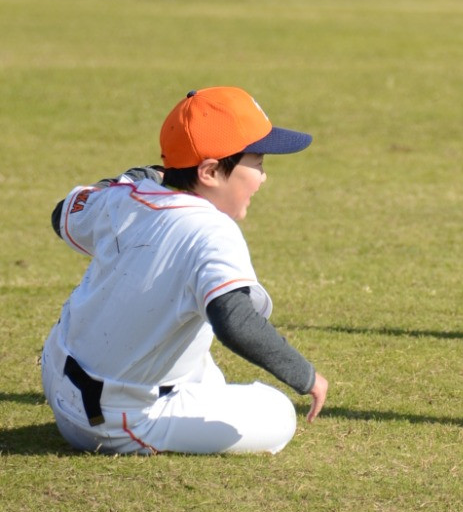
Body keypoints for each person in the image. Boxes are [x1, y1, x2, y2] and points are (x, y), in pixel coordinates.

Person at [42, 86, 328, 455]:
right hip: (117, 420)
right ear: (210, 171)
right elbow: (235, 320)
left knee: (190, 330)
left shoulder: (126, 196)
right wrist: (306, 376)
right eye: (257, 163)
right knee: (278, 415)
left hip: (59, 379)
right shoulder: (211, 230)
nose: (263, 177)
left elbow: (61, 213)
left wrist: (134, 178)